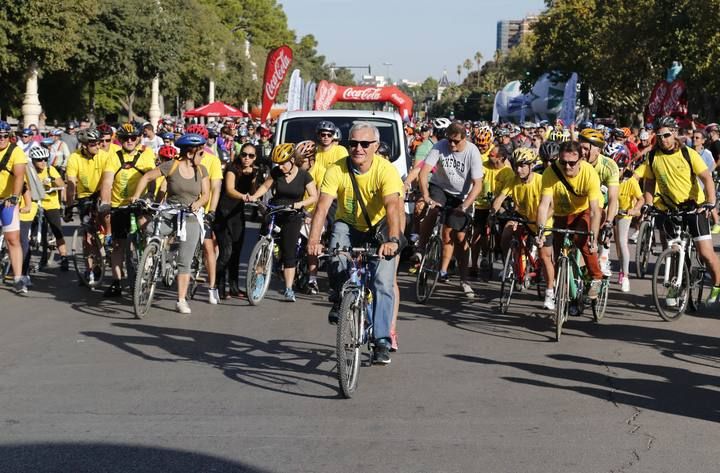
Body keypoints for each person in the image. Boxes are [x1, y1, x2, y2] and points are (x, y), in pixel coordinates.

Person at [307, 121, 403, 365]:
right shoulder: (336, 169)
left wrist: (393, 240)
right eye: (353, 143)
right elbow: (322, 207)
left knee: (382, 282)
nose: (358, 148)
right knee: (336, 253)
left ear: (376, 146)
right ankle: (340, 298)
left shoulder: (386, 170)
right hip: (347, 225)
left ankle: (381, 339)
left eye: (364, 144)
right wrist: (314, 240)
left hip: (380, 229)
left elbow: (393, 206)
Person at [642, 116, 720, 305]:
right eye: (659, 136)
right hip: (669, 208)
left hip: (694, 208)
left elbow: (707, 178)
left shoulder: (688, 153)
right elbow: (649, 182)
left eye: (667, 135)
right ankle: (675, 286)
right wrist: (648, 203)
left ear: (675, 133)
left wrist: (710, 202)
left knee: (705, 253)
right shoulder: (652, 156)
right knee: (673, 249)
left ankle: (717, 284)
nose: (663, 139)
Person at [131, 133, 210, 314]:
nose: (203, 156)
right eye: (200, 153)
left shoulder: (201, 170)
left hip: (190, 215)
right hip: (170, 211)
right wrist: (137, 195)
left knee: (185, 260)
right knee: (150, 229)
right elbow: (147, 177)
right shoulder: (171, 166)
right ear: (190, 153)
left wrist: (196, 205)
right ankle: (150, 260)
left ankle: (181, 300)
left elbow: (205, 195)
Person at [418, 121, 484, 299]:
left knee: (460, 237)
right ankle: (421, 248)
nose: (452, 145)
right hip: (440, 188)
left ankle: (464, 280)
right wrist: (425, 195)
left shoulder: (472, 152)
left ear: (465, 138)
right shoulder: (440, 146)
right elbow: (423, 173)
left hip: (461, 197)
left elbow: (478, 185)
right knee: (432, 210)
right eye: (449, 141)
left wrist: (464, 206)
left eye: (456, 141)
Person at [247, 143, 318, 302]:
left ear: (293, 160)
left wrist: (300, 204)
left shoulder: (304, 175)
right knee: (261, 246)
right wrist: (254, 197)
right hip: (275, 210)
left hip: (292, 214)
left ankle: (288, 289)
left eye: (283, 163)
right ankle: (258, 282)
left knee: (289, 251)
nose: (280, 167)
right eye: (278, 164)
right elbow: (265, 186)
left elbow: (314, 196)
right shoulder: (276, 172)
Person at [536, 141, 604, 306]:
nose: (567, 167)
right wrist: (539, 232)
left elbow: (595, 211)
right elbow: (544, 205)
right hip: (562, 213)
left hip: (584, 210)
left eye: (572, 163)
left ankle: (596, 277)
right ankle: (565, 291)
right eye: (563, 162)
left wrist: (594, 238)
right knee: (558, 254)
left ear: (581, 160)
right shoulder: (550, 173)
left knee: (583, 241)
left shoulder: (589, 173)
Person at [491, 146, 556, 310]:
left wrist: (541, 221)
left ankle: (550, 292)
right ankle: (511, 265)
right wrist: (494, 211)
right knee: (506, 232)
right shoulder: (513, 180)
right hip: (524, 218)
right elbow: (500, 199)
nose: (518, 169)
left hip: (543, 220)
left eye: (522, 165)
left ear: (531, 165)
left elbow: (553, 207)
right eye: (515, 165)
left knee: (544, 256)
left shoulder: (542, 180)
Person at [99, 123, 156, 297]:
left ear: (138, 138)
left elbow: (151, 178)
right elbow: (107, 182)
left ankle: (147, 265)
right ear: (120, 140)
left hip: (140, 203)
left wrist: (151, 195)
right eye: (125, 138)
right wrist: (106, 202)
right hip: (119, 205)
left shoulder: (146, 154)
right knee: (118, 245)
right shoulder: (113, 157)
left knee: (145, 233)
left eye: (133, 138)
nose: (129, 141)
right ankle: (117, 282)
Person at [215, 143, 258, 299]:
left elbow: (253, 192)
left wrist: (254, 178)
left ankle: (234, 288)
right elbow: (230, 189)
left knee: (236, 252)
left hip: (237, 214)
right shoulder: (232, 169)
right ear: (240, 155)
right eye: (244, 154)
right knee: (225, 252)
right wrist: (244, 197)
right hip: (223, 213)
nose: (247, 158)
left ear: (255, 158)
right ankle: (218, 287)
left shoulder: (253, 171)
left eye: (251, 156)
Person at [579, 128, 620, 276]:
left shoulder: (609, 166)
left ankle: (604, 256)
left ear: (597, 150)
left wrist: (609, 222)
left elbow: (613, 198)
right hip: (581, 203)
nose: (582, 152)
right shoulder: (575, 162)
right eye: (580, 147)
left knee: (596, 228)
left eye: (585, 148)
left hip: (603, 205)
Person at [471, 144, 513, 276]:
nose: (489, 156)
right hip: (482, 204)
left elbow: (506, 195)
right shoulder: (483, 165)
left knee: (504, 232)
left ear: (501, 158)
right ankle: (474, 265)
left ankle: (504, 258)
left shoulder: (508, 173)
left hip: (500, 204)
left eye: (492, 155)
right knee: (477, 232)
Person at [0, 120, 30, 294]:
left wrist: (14, 196)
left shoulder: (15, 151)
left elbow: (19, 176)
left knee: (12, 239)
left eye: (5, 136)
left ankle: (18, 278)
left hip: (7, 201)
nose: (2, 139)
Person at [28, 147, 69, 270]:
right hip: (35, 203)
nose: (43, 162)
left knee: (57, 231)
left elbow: (62, 184)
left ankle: (64, 257)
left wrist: (54, 182)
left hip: (50, 204)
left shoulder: (50, 170)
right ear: (33, 160)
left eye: (45, 159)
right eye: (39, 160)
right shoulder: (29, 171)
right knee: (28, 230)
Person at [611, 147, 643, 292]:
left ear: (625, 168)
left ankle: (625, 276)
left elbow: (641, 199)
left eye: (620, 168)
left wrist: (635, 209)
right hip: (611, 211)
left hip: (624, 213)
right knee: (610, 242)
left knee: (622, 243)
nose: (617, 171)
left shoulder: (630, 181)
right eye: (615, 167)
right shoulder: (609, 178)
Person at [691, 129, 720, 233]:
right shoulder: (689, 151)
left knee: (708, 202)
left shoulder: (706, 153)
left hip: (704, 183)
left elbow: (713, 165)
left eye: (697, 138)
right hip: (693, 183)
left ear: (703, 141)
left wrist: (705, 174)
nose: (694, 139)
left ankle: (716, 223)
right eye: (693, 137)